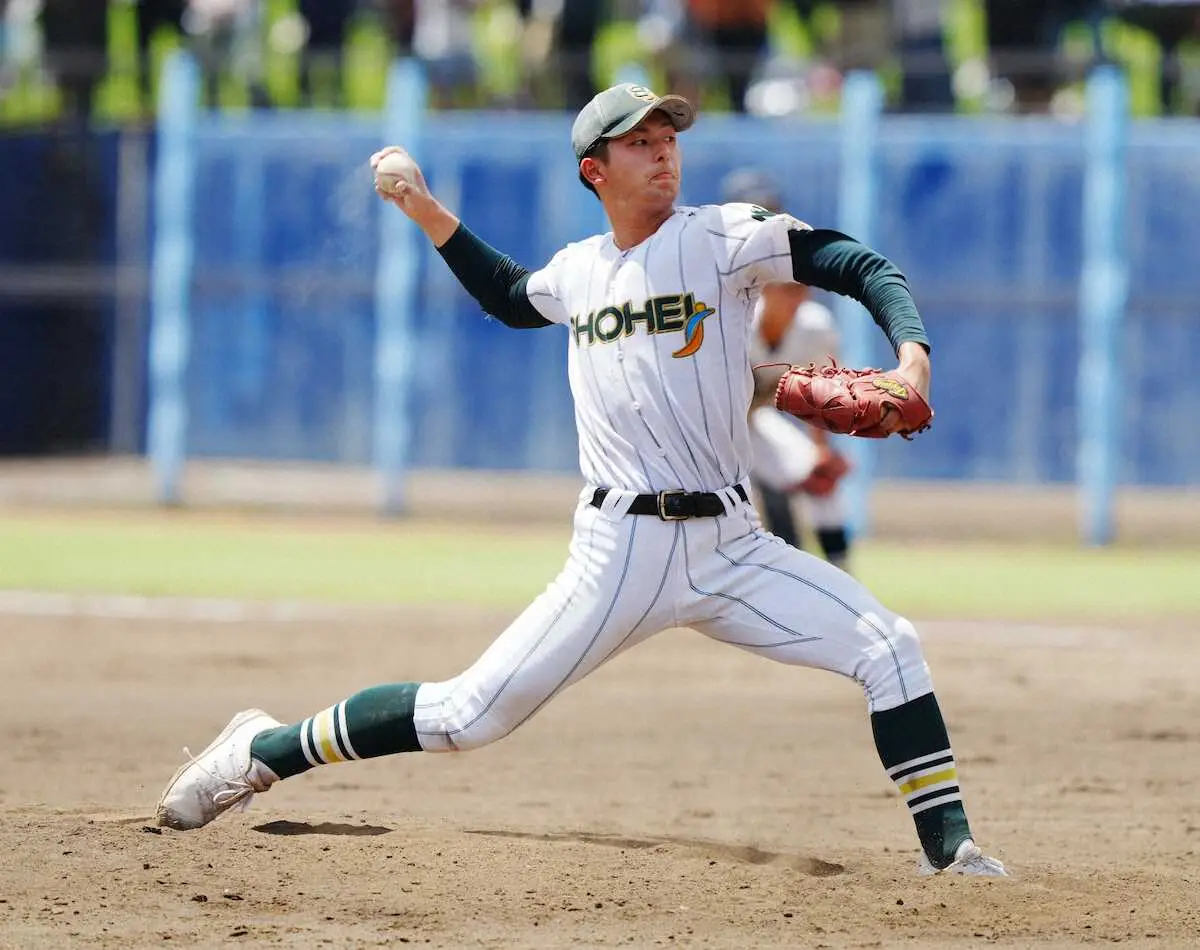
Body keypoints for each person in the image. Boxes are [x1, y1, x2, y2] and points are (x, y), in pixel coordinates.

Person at [155, 82, 1007, 878]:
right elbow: (511, 295)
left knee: (888, 647)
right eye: (640, 143)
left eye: (668, 137)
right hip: (620, 550)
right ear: (594, 170)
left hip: (732, 545)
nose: (664, 153)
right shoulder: (578, 269)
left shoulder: (722, 237)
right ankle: (261, 751)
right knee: (464, 718)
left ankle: (953, 851)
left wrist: (913, 356)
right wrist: (423, 209)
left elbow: (861, 265)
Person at [721, 168, 855, 571]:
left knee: (818, 478)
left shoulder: (813, 326)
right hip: (717, 426)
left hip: (754, 419)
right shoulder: (734, 318)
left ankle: (841, 578)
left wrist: (821, 449)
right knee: (743, 495)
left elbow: (821, 396)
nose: (795, 291)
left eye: (802, 284)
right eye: (786, 285)